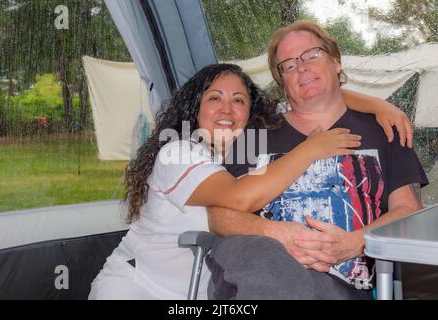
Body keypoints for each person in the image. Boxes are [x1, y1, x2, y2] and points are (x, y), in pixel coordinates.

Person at [88, 62, 413, 300]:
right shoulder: (179, 152)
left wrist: (379, 105)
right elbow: (239, 199)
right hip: (137, 287)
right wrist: (311, 149)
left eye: (239, 100)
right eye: (214, 98)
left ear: (250, 112)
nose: (227, 109)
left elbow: (315, 98)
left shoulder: (249, 150)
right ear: (195, 108)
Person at [206, 20, 428, 300]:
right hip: (261, 267)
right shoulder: (255, 133)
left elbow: (408, 210)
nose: (302, 68)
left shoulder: (385, 130)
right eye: (288, 65)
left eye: (312, 55)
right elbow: (219, 215)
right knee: (266, 263)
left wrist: (354, 243)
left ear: (336, 62)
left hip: (346, 283)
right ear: (283, 82)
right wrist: (279, 234)